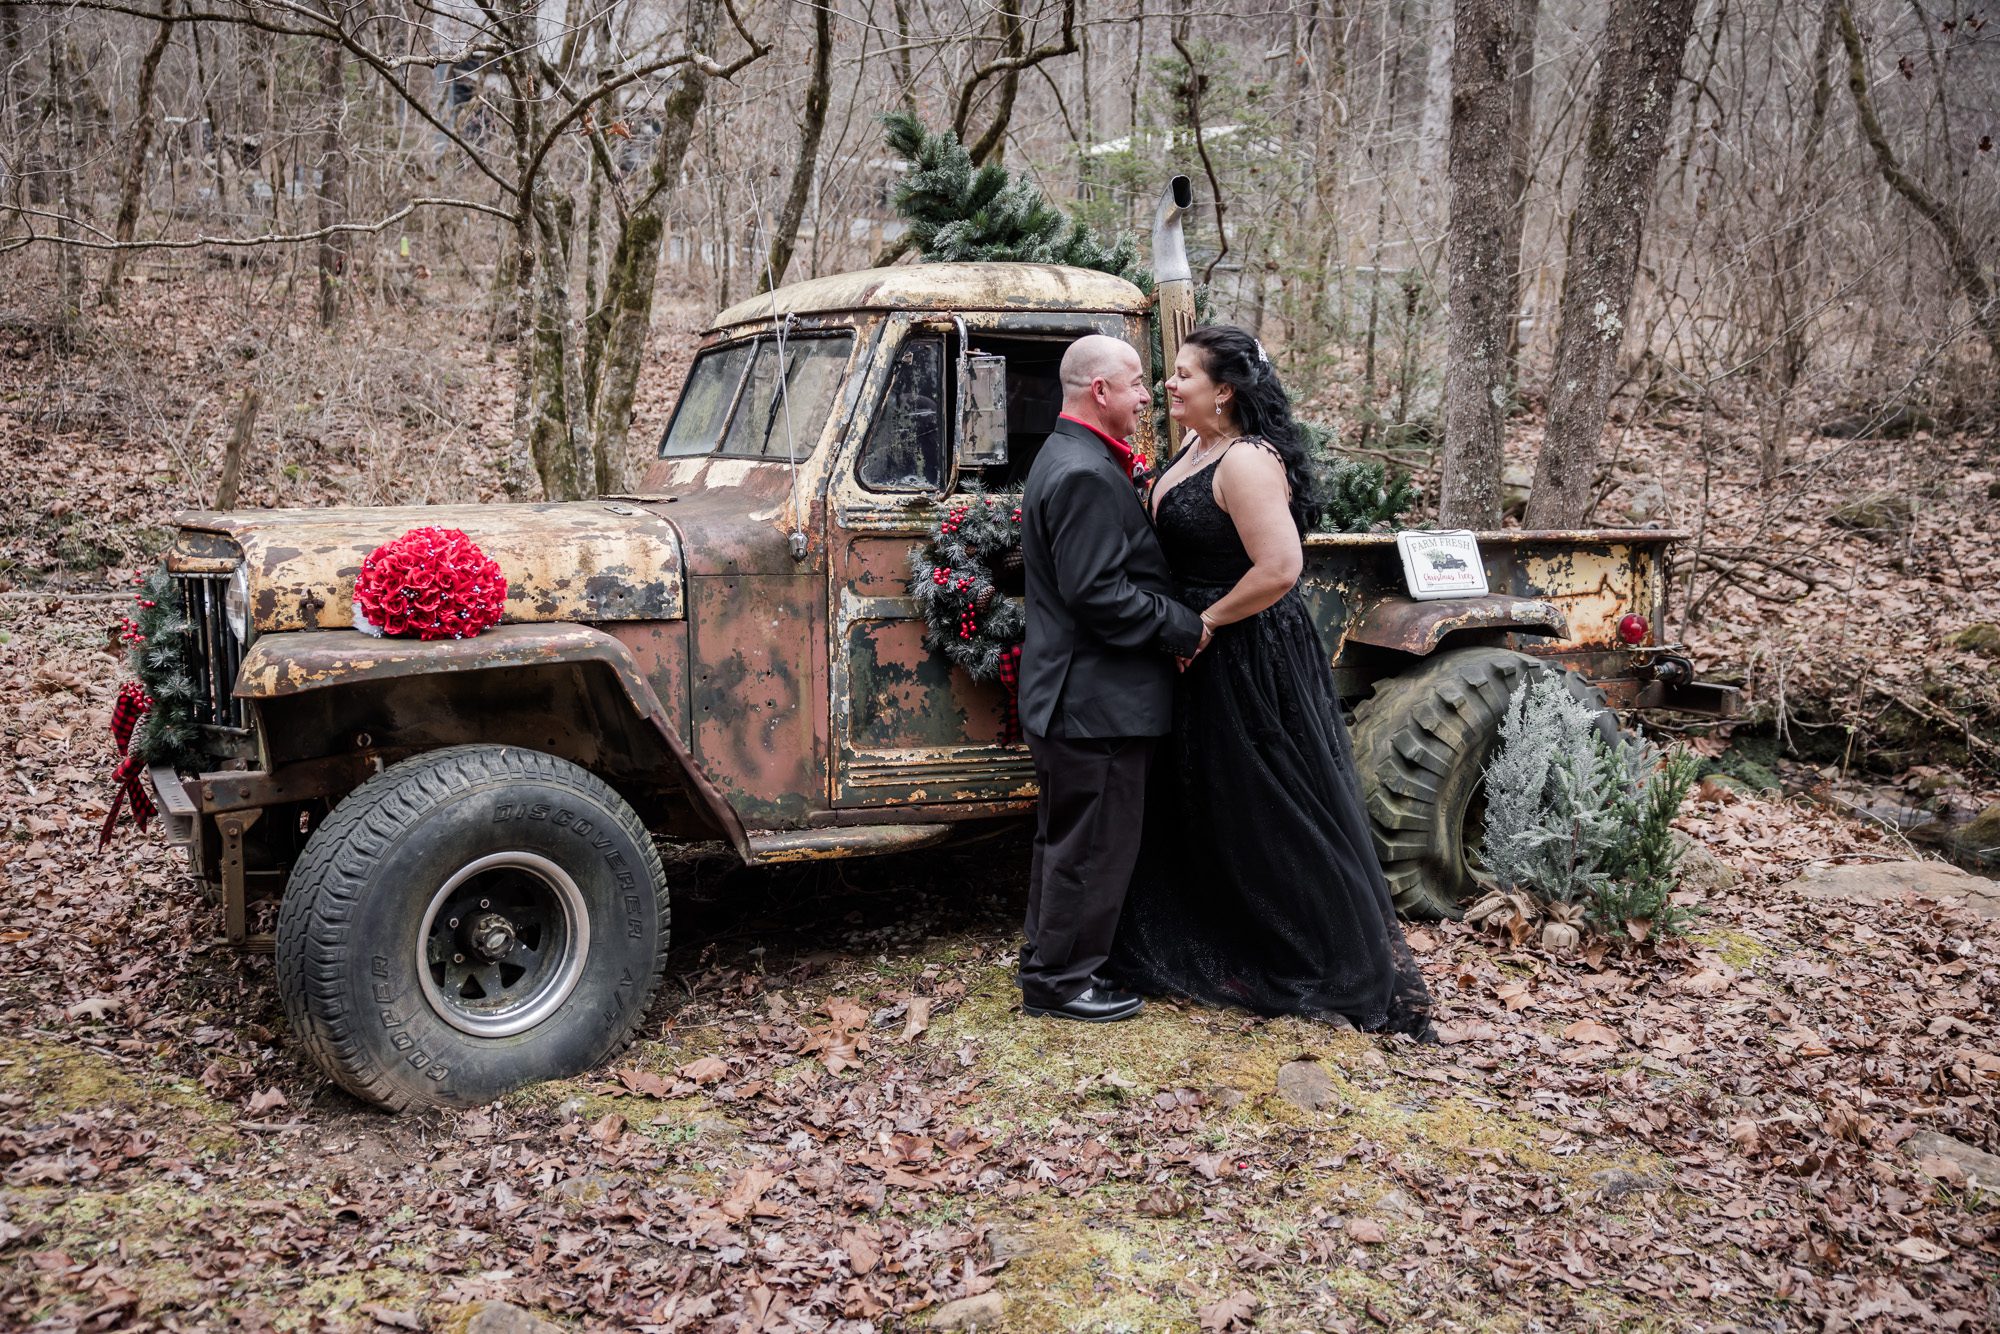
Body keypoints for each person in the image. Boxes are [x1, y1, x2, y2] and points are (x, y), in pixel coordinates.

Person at [1109, 325, 1434, 1038]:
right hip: (1200, 645)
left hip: (1247, 647)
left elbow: (1280, 568)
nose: (1171, 383)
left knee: (1268, 802)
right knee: (1210, 799)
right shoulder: (1196, 449)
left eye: (1185, 374)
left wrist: (1206, 624)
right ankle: (1226, 939)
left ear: (1224, 391)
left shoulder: (1249, 461)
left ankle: (1318, 955)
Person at [1015, 334, 1207, 1023]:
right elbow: (1097, 594)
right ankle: (1062, 982)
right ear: (1100, 391)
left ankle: (1048, 961)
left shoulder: (1074, 457)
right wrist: (1183, 625)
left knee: (1067, 840)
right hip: (1093, 700)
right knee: (1092, 845)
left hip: (1079, 695)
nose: (1146, 395)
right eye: (1134, 384)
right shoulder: (1084, 474)